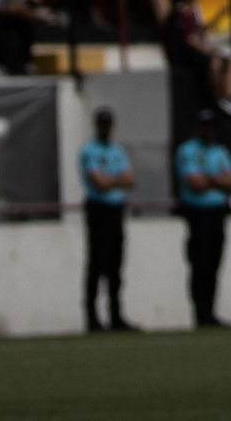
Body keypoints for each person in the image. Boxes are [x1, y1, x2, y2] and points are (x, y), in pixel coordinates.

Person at [175, 107, 231, 328]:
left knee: (214, 263)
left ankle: (210, 311)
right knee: (199, 263)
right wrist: (216, 180)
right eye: (205, 127)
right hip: (198, 215)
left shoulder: (220, 151)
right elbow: (195, 183)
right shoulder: (188, 150)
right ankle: (200, 312)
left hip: (217, 214)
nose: (208, 131)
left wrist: (209, 180)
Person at [80, 106, 136, 331]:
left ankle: (116, 315)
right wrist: (116, 180)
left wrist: (110, 180)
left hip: (116, 210)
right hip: (98, 210)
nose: (105, 127)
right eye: (102, 123)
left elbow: (130, 180)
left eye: (108, 123)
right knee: (96, 264)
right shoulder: (89, 151)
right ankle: (92, 317)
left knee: (115, 265)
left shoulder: (117, 151)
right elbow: (99, 184)